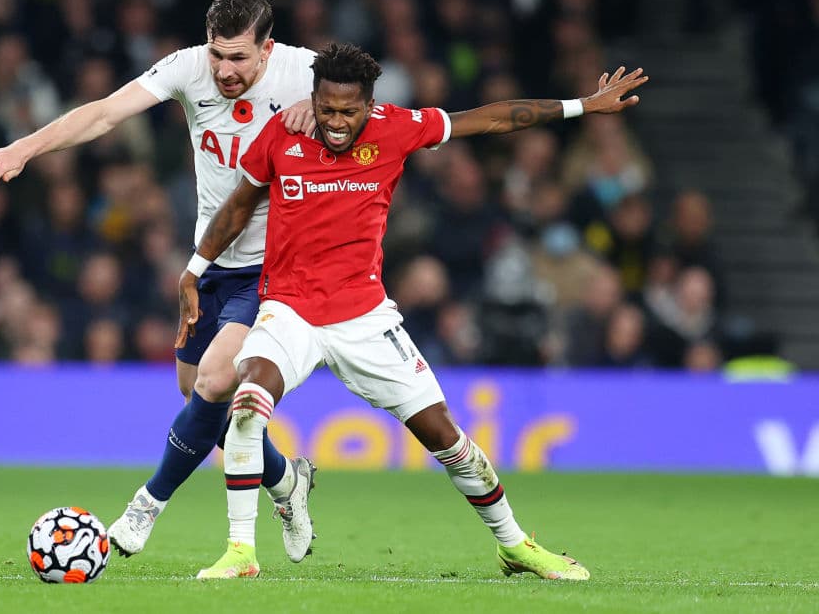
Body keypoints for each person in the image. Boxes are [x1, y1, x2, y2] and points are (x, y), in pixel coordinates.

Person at [178, 43, 648, 580]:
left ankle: (515, 544)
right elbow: (238, 206)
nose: (336, 123)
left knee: (446, 437)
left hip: (364, 317)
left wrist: (582, 106)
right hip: (289, 310)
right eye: (326, 109)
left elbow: (492, 118)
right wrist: (194, 269)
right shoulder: (281, 135)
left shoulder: (397, 128)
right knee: (247, 406)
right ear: (313, 99)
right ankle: (241, 552)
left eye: (348, 112)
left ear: (370, 105)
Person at [0, 0, 319, 562]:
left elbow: (368, 100)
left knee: (214, 382)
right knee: (197, 395)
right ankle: (286, 482)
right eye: (217, 55)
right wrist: (25, 148)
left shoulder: (306, 70)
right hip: (211, 259)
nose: (224, 71)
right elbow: (104, 112)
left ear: (267, 49)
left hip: (277, 265)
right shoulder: (187, 68)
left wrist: (321, 105)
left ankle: (144, 506)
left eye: (238, 58)